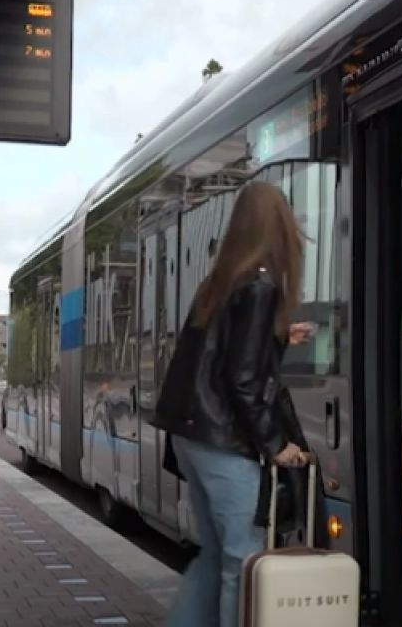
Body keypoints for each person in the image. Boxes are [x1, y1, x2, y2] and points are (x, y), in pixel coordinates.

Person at [153, 181, 315, 627]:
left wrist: (278, 335)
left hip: (192, 434)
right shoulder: (262, 285)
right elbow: (243, 379)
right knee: (241, 559)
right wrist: (274, 444)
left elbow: (222, 354)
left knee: (214, 556)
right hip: (223, 440)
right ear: (279, 228)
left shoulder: (221, 280)